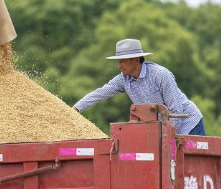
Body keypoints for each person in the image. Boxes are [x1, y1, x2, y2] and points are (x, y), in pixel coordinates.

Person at [73, 38, 205, 135]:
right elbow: (101, 92)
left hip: (189, 125)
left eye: (123, 61)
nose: (119, 65)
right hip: (164, 130)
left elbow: (176, 111)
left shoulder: (161, 75)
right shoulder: (123, 79)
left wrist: (166, 137)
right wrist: (76, 109)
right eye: (118, 61)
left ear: (136, 60)